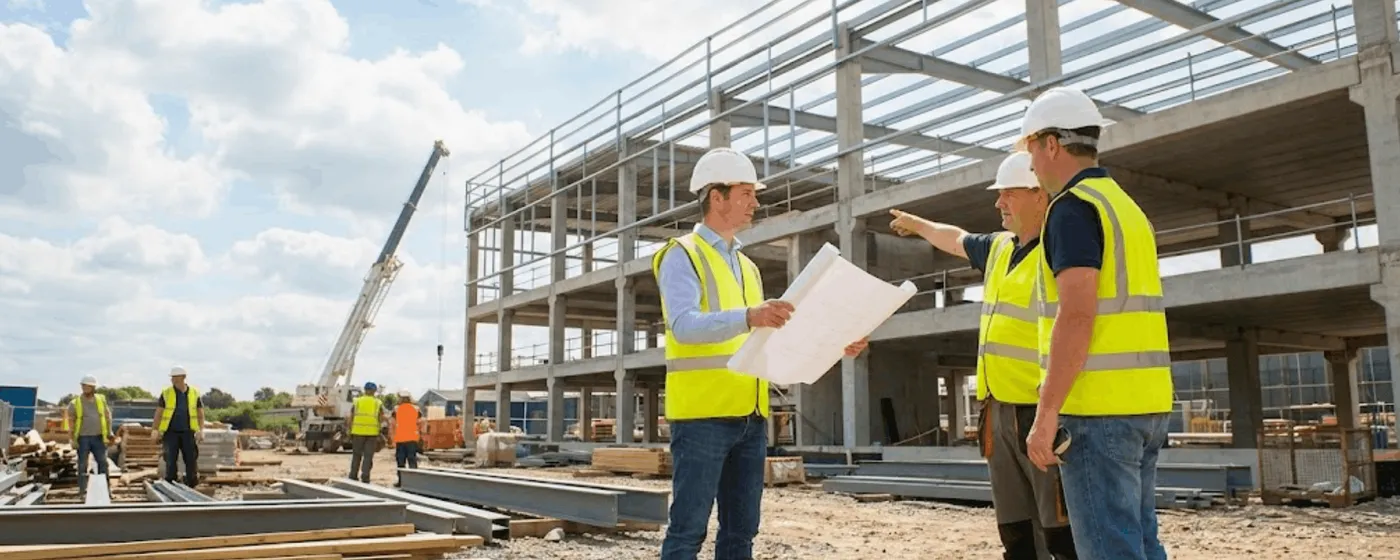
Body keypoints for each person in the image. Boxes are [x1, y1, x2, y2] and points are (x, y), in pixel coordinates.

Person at [654, 146, 869, 560]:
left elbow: (770, 337)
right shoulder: (681, 255)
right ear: (716, 198)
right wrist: (751, 315)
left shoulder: (747, 267)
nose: (755, 202)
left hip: (751, 419)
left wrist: (834, 343)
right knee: (687, 532)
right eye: (746, 193)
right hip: (702, 418)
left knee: (741, 535)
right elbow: (683, 324)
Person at [888, 151, 1077, 559]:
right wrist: (918, 225)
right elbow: (954, 238)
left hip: (1039, 406)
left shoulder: (1061, 248)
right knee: (1016, 529)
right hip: (998, 410)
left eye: (1007, 194)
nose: (998, 204)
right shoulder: (999, 248)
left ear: (1039, 196)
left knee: (1060, 529)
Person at [1016, 87, 1174, 560]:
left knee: (1110, 549)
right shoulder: (1124, 206)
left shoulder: (1072, 208)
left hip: (1099, 410)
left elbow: (1078, 313)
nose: (1032, 166)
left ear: (1051, 144)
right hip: (1146, 403)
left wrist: (1045, 416)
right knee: (1140, 541)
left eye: (1030, 151)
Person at [152, 365, 205, 487]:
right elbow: (159, 413)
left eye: (176, 377)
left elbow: (200, 413)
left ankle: (191, 483)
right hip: (170, 432)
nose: (173, 380)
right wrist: (155, 429)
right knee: (170, 459)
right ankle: (171, 483)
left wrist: (201, 430)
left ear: (184, 377)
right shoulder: (166, 393)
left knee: (191, 459)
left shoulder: (194, 393)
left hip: (188, 432)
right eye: (172, 377)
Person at [64, 375, 114, 494]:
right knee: (82, 465)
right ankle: (83, 490)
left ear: (93, 387)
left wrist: (109, 432)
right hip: (83, 438)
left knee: (103, 463)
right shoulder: (75, 403)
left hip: (99, 437)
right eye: (83, 386)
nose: (85, 388)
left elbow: (107, 416)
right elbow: (70, 421)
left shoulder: (101, 400)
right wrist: (71, 439)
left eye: (87, 386)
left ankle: (106, 490)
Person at [348, 381, 388, 483]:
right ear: (374, 391)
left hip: (357, 432)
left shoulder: (357, 401)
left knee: (356, 455)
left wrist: (350, 429)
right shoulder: (377, 402)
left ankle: (353, 476)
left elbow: (351, 416)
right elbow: (381, 417)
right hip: (372, 433)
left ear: (365, 390)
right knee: (368, 456)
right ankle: (365, 477)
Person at [390, 390, 425, 486]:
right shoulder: (416, 409)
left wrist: (392, 439)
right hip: (412, 438)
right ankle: (414, 482)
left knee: (401, 461)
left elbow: (392, 424)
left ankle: (401, 481)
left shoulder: (396, 409)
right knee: (412, 459)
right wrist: (420, 434)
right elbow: (421, 422)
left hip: (400, 439)